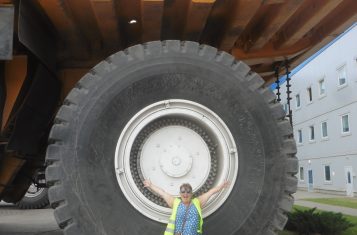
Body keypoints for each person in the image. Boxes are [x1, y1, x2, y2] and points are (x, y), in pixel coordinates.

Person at [143, 179, 229, 235]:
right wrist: (150, 185)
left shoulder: (197, 202)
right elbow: (162, 192)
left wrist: (221, 186)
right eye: (183, 191)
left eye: (188, 191)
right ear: (180, 194)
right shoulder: (175, 202)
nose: (185, 194)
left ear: (191, 194)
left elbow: (211, 192)